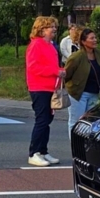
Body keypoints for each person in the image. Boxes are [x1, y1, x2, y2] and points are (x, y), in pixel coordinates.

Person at [25, 16, 66, 167]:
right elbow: (33, 67)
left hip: (50, 86)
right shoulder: (36, 44)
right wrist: (56, 71)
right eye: (51, 27)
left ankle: (43, 151)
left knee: (47, 120)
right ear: (42, 30)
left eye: (54, 26)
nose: (54, 29)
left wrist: (60, 71)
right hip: (39, 87)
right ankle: (34, 153)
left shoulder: (50, 45)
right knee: (42, 120)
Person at [64, 29, 100, 133]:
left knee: (91, 122)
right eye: (92, 38)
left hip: (94, 93)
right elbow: (66, 74)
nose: (95, 40)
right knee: (76, 122)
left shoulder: (98, 53)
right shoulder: (76, 57)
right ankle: (75, 147)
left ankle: (86, 147)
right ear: (83, 42)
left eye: (95, 38)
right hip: (79, 94)